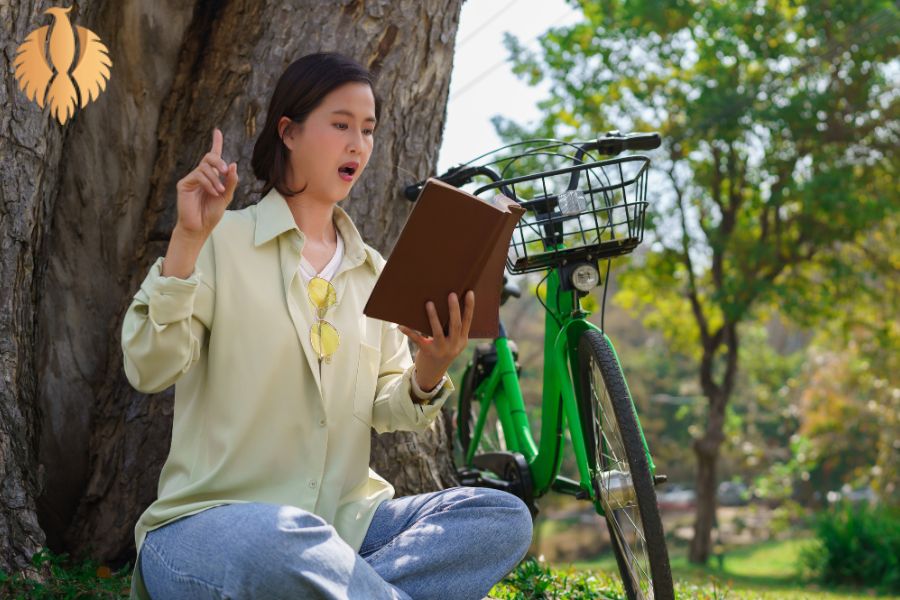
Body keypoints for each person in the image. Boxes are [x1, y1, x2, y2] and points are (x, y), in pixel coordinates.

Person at [121, 52, 534, 600]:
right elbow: (149, 368)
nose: (358, 145)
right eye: (341, 125)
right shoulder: (220, 242)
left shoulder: (375, 272)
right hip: (214, 529)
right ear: (288, 132)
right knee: (282, 542)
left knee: (498, 517)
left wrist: (430, 370)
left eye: (367, 130)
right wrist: (187, 242)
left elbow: (389, 409)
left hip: (346, 532)